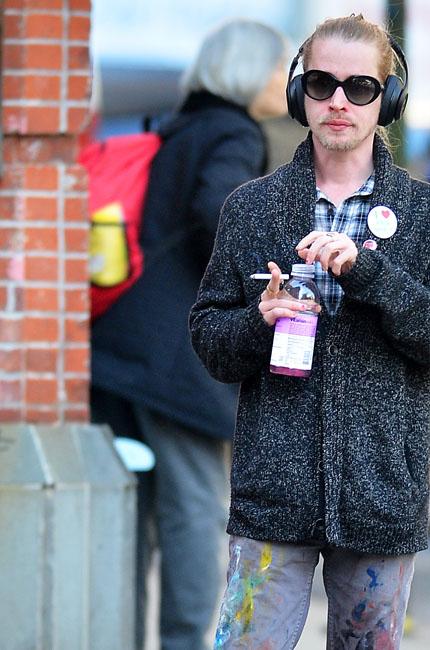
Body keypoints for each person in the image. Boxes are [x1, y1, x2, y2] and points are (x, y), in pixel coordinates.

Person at [189, 14, 430, 649]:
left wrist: (371, 274)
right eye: (323, 84)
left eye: (361, 87)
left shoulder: (427, 215)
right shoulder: (253, 208)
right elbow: (210, 340)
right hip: (274, 492)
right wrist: (257, 322)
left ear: (388, 99)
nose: (340, 102)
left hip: (380, 491)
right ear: (301, 94)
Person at [90, 19, 289, 650]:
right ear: (245, 71)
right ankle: (182, 643)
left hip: (117, 349)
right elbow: (215, 212)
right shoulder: (233, 132)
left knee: (131, 513)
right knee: (194, 510)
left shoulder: (177, 127)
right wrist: (262, 284)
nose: (283, 81)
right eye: (276, 66)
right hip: (175, 363)